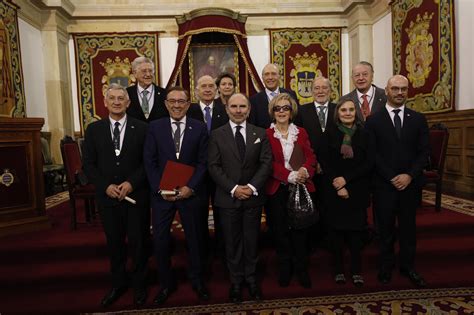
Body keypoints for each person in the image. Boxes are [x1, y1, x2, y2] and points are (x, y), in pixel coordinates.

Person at [82, 83, 150, 307]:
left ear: (128, 102)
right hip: (108, 198)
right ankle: (118, 283)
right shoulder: (93, 130)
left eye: (121, 98)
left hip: (135, 196)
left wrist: (131, 183)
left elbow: (147, 162)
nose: (117, 102)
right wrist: (105, 187)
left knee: (139, 242)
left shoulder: (142, 128)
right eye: (113, 98)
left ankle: (140, 285)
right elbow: (89, 165)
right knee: (115, 243)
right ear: (105, 101)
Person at [143, 86, 210, 305]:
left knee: (195, 239)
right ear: (166, 104)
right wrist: (159, 188)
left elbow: (203, 162)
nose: (177, 105)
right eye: (172, 101)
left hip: (189, 194)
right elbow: (149, 161)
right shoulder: (155, 127)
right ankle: (166, 284)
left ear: (188, 104)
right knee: (161, 241)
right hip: (162, 195)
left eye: (181, 101)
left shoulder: (199, 128)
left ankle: (198, 281)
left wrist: (190, 186)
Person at [365, 75, 429, 287]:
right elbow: (372, 154)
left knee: (408, 230)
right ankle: (385, 268)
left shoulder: (418, 119)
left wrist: (409, 175)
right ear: (387, 90)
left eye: (403, 89)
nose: (400, 92)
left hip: (410, 185)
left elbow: (423, 153)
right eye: (395, 89)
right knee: (385, 230)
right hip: (385, 185)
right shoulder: (373, 120)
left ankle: (408, 267)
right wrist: (392, 176)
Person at [208, 93, 272, 303]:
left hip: (253, 197)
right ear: (227, 109)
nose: (238, 110)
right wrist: (234, 188)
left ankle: (252, 280)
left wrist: (252, 187)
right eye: (234, 106)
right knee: (232, 242)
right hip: (228, 198)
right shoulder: (217, 134)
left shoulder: (260, 133)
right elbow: (214, 166)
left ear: (249, 109)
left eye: (242, 106)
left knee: (252, 240)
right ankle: (236, 281)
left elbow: (265, 163)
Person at [318, 99, 374, 287]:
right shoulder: (329, 134)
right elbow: (325, 162)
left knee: (357, 232)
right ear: (337, 113)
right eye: (344, 110)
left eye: (351, 109)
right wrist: (338, 184)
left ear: (356, 112)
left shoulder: (365, 134)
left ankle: (356, 270)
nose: (348, 113)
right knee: (336, 233)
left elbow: (369, 162)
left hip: (357, 189)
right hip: (334, 189)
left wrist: (346, 180)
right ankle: (338, 270)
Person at [265, 93, 317, 288]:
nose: (281, 112)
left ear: (291, 110)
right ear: (272, 112)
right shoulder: (267, 134)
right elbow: (267, 162)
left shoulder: (301, 132)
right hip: (278, 188)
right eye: (277, 108)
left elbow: (311, 156)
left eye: (285, 108)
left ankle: (301, 268)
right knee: (280, 231)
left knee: (300, 230)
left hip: (301, 187)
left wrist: (304, 170)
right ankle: (285, 267)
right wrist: (288, 176)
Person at [187, 75, 229, 258]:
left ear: (217, 89)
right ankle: (202, 251)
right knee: (198, 214)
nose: (207, 89)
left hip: (221, 170)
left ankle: (222, 249)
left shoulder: (225, 109)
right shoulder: (189, 111)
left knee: (222, 212)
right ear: (196, 90)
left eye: (211, 86)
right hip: (197, 172)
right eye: (203, 86)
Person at [294, 76, 336, 250]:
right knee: (312, 204)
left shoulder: (338, 109)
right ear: (311, 92)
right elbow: (298, 142)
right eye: (316, 88)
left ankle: (330, 240)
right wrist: (311, 164)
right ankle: (313, 241)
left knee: (330, 205)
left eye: (324, 88)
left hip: (333, 168)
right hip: (309, 168)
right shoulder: (302, 112)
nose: (320, 91)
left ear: (330, 91)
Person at [249, 63, 298, 129]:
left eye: (273, 74)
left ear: (279, 76)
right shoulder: (253, 100)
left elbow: (297, 120)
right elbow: (253, 127)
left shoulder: (291, 95)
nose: (270, 77)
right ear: (262, 78)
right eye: (267, 74)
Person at [126, 56, 168, 122]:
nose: (148, 74)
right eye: (144, 71)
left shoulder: (164, 93)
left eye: (150, 71)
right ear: (135, 73)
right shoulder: (127, 93)